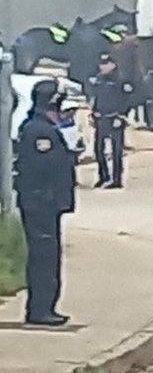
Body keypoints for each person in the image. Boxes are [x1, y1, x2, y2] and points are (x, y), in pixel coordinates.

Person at [14, 81, 76, 327]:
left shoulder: (44, 127)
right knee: (43, 258)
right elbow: (44, 165)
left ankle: (45, 307)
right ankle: (40, 309)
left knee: (49, 256)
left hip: (46, 203)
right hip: (40, 202)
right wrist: (69, 153)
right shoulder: (38, 130)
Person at [88, 53, 134, 189]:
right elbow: (96, 98)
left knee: (116, 151)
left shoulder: (121, 81)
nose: (103, 67)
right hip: (101, 117)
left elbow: (128, 100)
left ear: (113, 65)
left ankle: (116, 179)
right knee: (98, 150)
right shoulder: (98, 80)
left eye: (106, 64)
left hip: (115, 118)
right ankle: (103, 176)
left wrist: (121, 116)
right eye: (101, 64)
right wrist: (94, 112)